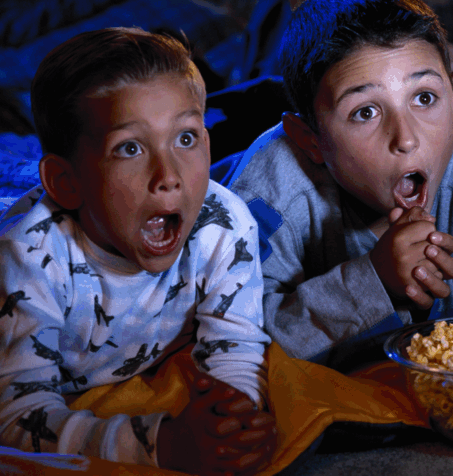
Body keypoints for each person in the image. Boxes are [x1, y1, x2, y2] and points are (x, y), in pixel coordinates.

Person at [0, 28, 276, 474]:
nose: (168, 176)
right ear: (66, 182)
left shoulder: (223, 225)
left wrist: (232, 422)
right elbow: (14, 417)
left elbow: (235, 348)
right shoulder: (27, 260)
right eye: (129, 148)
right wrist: (161, 445)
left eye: (185, 139)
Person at [227, 0, 453, 369]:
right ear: (310, 139)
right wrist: (374, 281)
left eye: (425, 98)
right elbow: (236, 347)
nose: (407, 138)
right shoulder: (268, 193)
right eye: (365, 111)